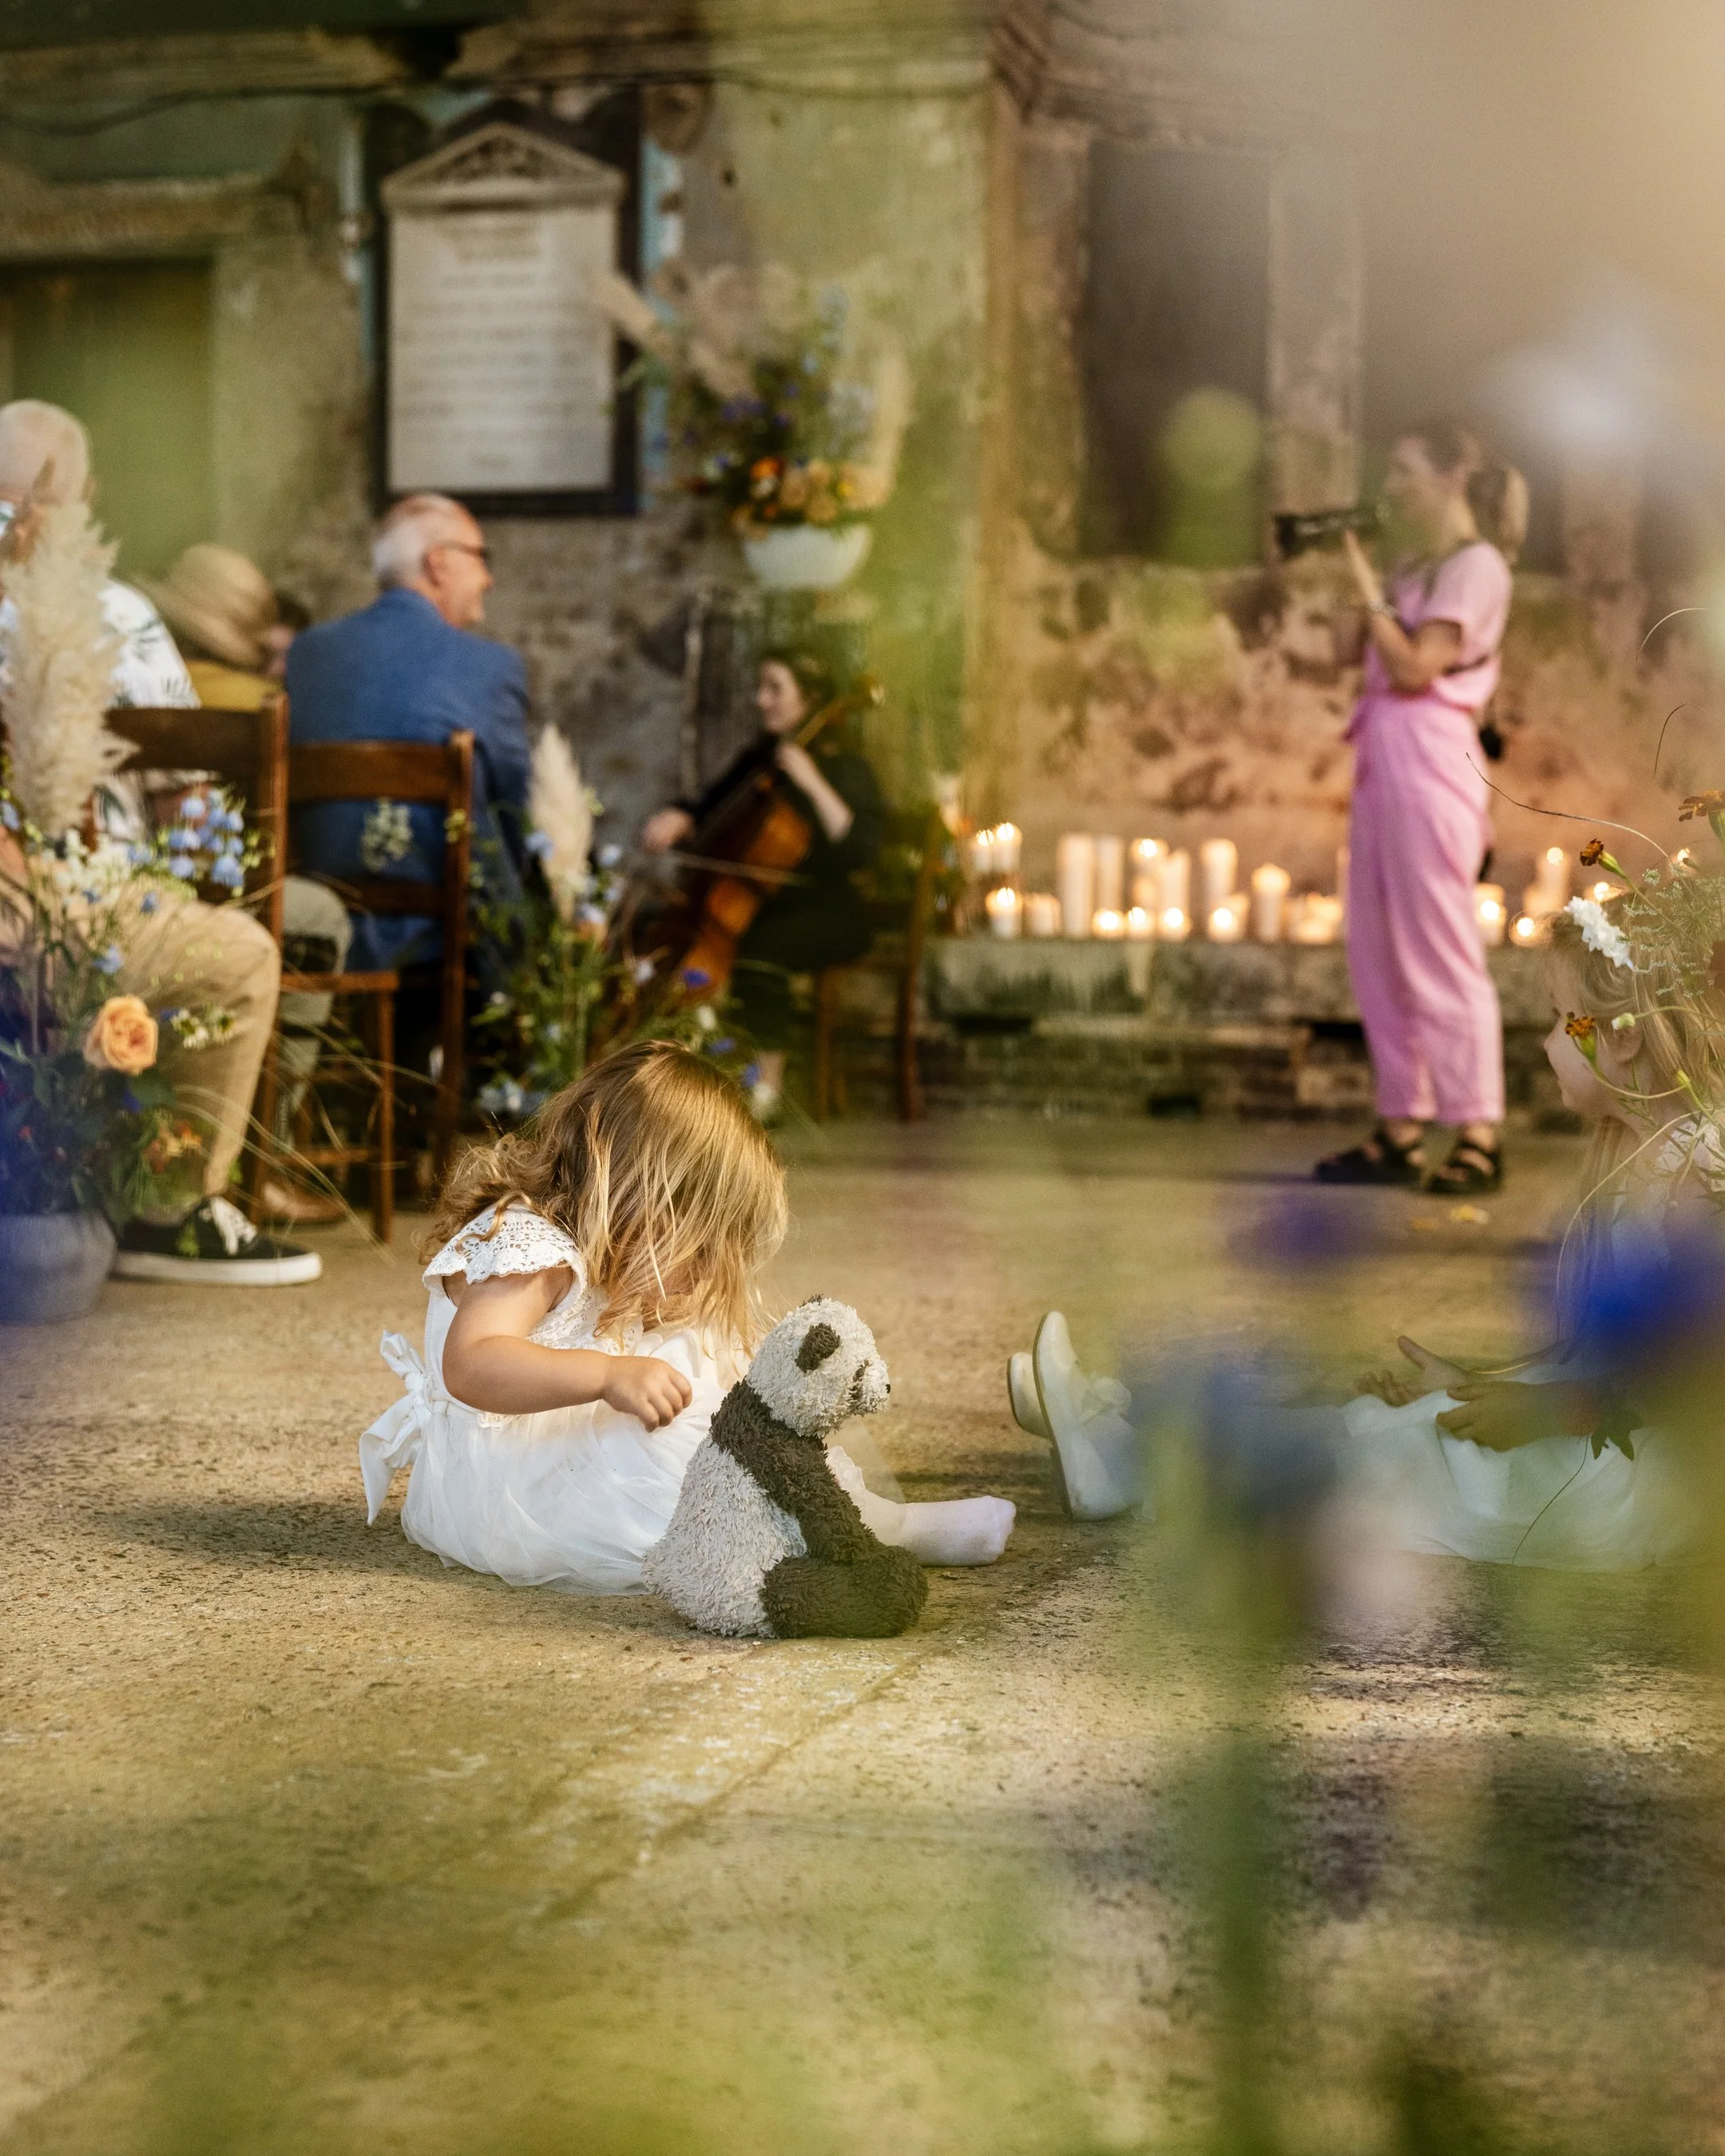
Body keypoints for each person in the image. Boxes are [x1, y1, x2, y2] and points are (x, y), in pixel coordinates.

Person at [1010, 899, 1703, 1567]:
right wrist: (1477, 1381)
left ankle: (1122, 1464)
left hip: (1642, 1480)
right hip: (1596, 1428)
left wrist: (1546, 1405)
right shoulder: (1645, 1157)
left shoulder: (1701, 1175)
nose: (1547, 1040)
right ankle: (1121, 1432)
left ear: (1621, 1034)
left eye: (1560, 1018)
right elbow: (1621, 1363)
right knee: (1386, 1418)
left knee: (1401, 1453)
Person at [359, 1042, 1016, 1592]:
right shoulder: (531, 1247)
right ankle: (842, 1534)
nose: (704, 1271)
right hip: (517, 1484)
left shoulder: (590, 1247)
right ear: (637, 1190)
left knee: (700, 1354)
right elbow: (472, 1363)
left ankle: (842, 1513)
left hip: (553, 1442)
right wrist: (605, 1375)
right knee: (669, 1431)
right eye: (698, 1247)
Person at [0, 398, 315, 1286]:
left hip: (44, 893)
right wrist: (199, 887)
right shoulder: (116, 610)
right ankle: (170, 1209)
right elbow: (184, 795)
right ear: (83, 496)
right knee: (239, 955)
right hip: (75, 894)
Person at [1315, 419, 1529, 1195]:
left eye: (1404, 470)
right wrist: (1363, 578)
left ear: (1450, 477)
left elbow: (1413, 667)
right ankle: (1401, 1126)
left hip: (1433, 762)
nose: (1391, 486)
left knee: (1440, 949)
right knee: (1378, 948)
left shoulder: (1477, 568)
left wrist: (1366, 584)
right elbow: (1358, 655)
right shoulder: (1418, 566)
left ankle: (1478, 1132)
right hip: (1383, 758)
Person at [142, 542, 350, 1227]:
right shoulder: (262, 701)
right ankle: (271, 1158)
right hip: (228, 899)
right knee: (321, 918)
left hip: (136, 888)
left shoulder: (145, 674)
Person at [284, 493, 530, 977]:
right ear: (438, 563)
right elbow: (516, 814)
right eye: (481, 558)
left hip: (320, 929)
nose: (489, 578)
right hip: (445, 952)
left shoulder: (308, 654)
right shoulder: (491, 667)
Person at [640, 649, 885, 1115]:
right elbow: (713, 805)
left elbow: (861, 848)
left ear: (808, 699)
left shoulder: (845, 766)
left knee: (761, 950)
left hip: (830, 908)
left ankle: (766, 1088)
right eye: (760, 687)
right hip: (766, 901)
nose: (760, 700)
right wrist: (681, 816)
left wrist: (811, 781)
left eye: (775, 689)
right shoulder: (761, 758)